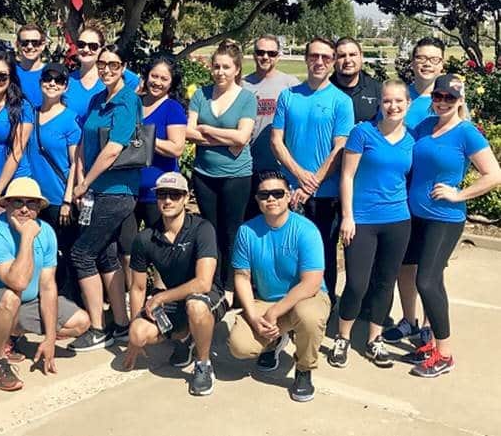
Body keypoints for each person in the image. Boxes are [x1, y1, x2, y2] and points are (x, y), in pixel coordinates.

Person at [400, 75, 501, 377]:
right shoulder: (422, 128)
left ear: (459, 100)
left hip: (444, 219)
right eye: (438, 96)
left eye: (449, 97)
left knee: (427, 282)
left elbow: (493, 174)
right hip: (415, 216)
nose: (442, 102)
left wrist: (458, 194)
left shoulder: (466, 133)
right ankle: (430, 346)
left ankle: (444, 352)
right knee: (424, 279)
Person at [0, 178, 90, 391]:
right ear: (6, 204)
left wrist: (50, 338)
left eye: (32, 203)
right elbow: (17, 281)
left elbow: (47, 286)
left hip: (22, 302)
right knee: (11, 296)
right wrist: (27, 238)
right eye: (18, 202)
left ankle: (8, 334)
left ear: (39, 207)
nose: (25, 209)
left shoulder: (45, 232)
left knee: (80, 322)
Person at [329, 80, 415, 369]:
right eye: (388, 101)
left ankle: (374, 339)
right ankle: (343, 336)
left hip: (398, 221)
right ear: (380, 103)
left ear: (408, 105)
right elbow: (347, 176)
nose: (393, 106)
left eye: (399, 102)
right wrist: (348, 215)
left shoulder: (411, 140)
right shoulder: (362, 133)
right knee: (356, 283)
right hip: (362, 221)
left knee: (385, 282)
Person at [228, 170, 330, 403]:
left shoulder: (306, 230)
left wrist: (273, 313)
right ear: (257, 199)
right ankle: (274, 340)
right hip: (267, 300)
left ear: (288, 196)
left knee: (309, 317)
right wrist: (254, 317)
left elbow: (311, 282)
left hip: (306, 297)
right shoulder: (247, 231)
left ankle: (304, 369)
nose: (271, 199)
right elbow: (242, 277)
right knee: (239, 346)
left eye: (277, 193)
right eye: (264, 195)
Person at [122, 173, 227, 397]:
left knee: (196, 306)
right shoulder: (145, 238)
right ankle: (185, 336)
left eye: (175, 195)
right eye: (162, 195)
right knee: (139, 333)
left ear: (186, 198)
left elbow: (203, 282)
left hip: (208, 297)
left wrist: (161, 297)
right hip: (175, 300)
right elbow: (138, 287)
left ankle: (203, 364)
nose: (168, 200)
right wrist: (133, 329)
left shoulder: (202, 228)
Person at [271, 37, 354, 304]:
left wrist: (311, 183)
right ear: (306, 58)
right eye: (314, 56)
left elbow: (340, 149)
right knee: (288, 252)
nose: (319, 62)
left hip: (325, 194)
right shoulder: (288, 96)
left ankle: (324, 306)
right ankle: (289, 305)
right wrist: (297, 177)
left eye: (326, 58)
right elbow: (276, 140)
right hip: (289, 193)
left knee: (323, 253)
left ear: (332, 62)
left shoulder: (341, 101)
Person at [68, 45, 139, 351]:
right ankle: (121, 324)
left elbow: (114, 148)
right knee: (106, 254)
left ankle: (98, 328)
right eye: (102, 64)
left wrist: (85, 182)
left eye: (113, 64)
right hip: (97, 190)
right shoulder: (98, 99)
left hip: (116, 191)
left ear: (123, 67)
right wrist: (83, 177)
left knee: (81, 254)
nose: (107, 69)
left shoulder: (127, 101)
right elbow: (86, 141)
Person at [382, 37, 447, 344]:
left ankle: (433, 329)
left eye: (433, 59)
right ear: (412, 62)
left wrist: (455, 187)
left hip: (434, 200)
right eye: (421, 58)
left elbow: (462, 144)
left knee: (431, 272)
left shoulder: (446, 99)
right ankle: (410, 320)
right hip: (402, 197)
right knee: (404, 265)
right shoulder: (398, 96)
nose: (426, 63)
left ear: (442, 64)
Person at [186, 40, 256, 292]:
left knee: (232, 231)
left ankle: (232, 286)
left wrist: (206, 130)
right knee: (210, 230)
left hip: (236, 175)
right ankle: (211, 284)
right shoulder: (200, 95)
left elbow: (242, 137)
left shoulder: (246, 98)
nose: (220, 72)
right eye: (216, 66)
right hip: (204, 174)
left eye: (226, 67)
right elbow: (188, 131)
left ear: (237, 69)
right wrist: (224, 137)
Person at [118, 57, 187, 289]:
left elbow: (177, 147)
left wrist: (145, 137)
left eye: (163, 78)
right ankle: (131, 296)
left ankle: (161, 297)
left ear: (172, 82)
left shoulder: (173, 108)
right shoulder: (134, 102)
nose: (157, 82)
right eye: (153, 76)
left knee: (161, 246)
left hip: (159, 190)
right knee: (127, 247)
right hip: (128, 186)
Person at [26, 63, 80, 296]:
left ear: (65, 86)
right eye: (48, 79)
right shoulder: (31, 114)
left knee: (62, 252)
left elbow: (75, 162)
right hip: (33, 197)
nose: (52, 84)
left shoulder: (70, 120)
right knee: (36, 250)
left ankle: (66, 299)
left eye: (58, 81)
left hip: (58, 198)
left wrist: (68, 200)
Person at [0, 51, 34, 222]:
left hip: (12, 187)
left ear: (11, 78)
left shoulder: (22, 107)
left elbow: (17, 152)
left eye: (2, 76)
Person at [242, 35, 300, 177]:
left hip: (281, 165)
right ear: (254, 54)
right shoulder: (242, 85)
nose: (265, 57)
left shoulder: (291, 85)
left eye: (271, 53)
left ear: (278, 56)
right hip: (247, 164)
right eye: (260, 52)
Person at [64, 23, 140, 118]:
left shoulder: (115, 74)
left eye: (93, 46)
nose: (86, 49)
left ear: (102, 48)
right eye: (81, 45)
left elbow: (140, 88)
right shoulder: (66, 80)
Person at [332, 37, 383, 124]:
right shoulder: (324, 90)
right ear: (334, 59)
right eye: (342, 56)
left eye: (352, 55)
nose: (348, 60)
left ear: (361, 56)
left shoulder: (378, 90)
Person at [15, 23, 48, 107]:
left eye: (35, 43)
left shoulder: (52, 73)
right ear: (18, 45)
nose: (30, 47)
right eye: (25, 43)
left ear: (43, 45)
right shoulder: (10, 73)